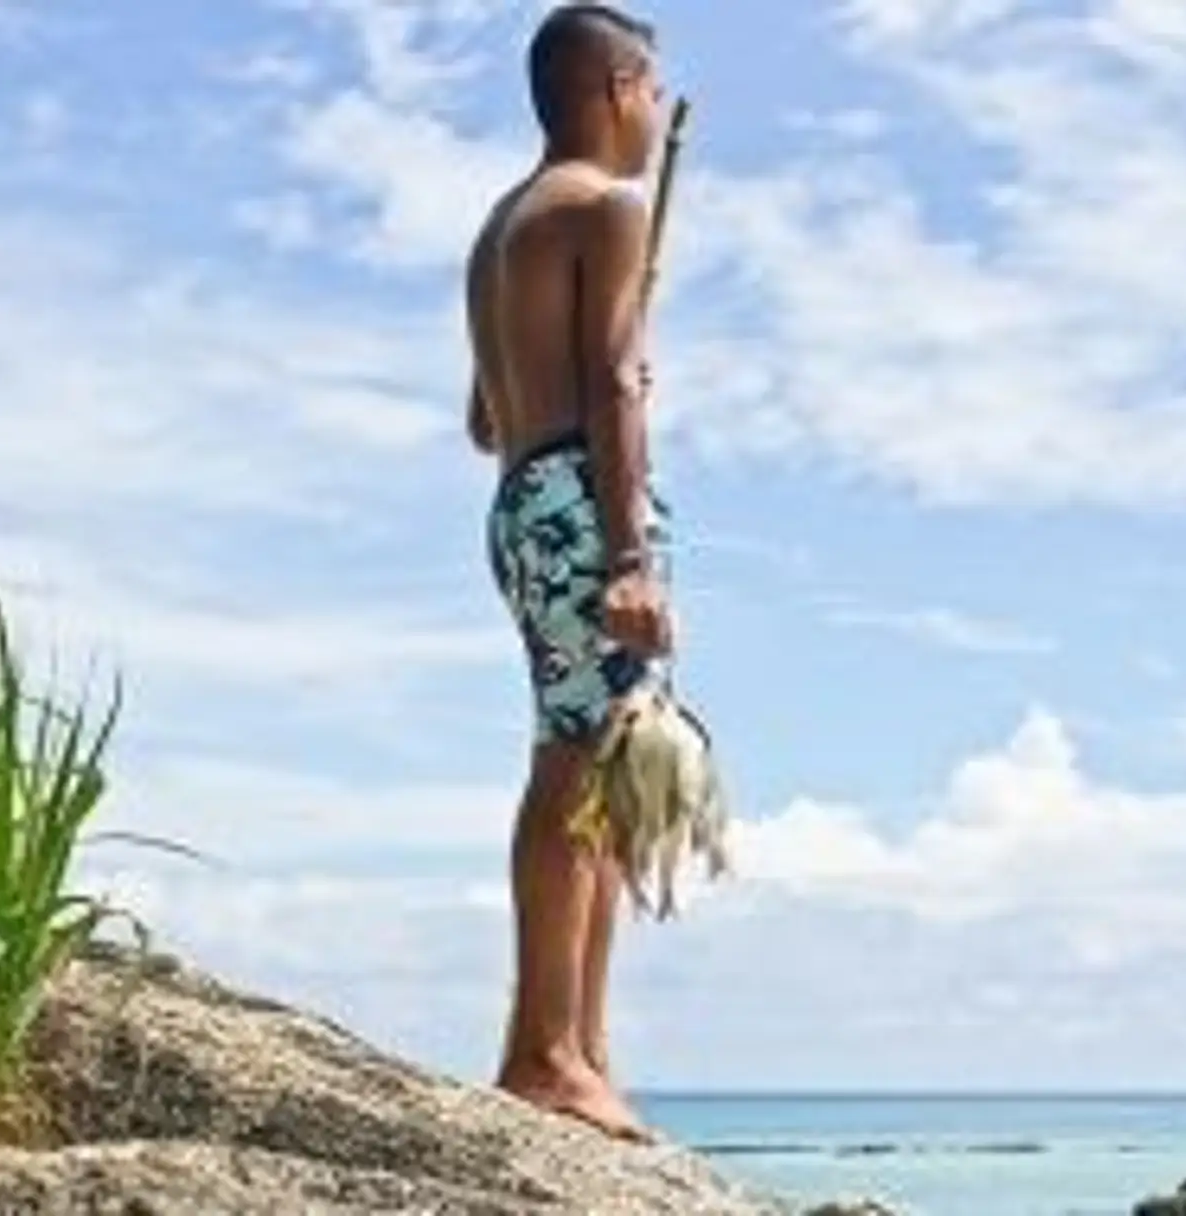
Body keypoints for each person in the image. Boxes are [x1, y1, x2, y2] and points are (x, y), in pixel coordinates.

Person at [463, 3, 673, 1143]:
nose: (653, 117)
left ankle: (581, 1047)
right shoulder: (607, 205)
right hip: (582, 506)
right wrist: (631, 555)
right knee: (580, 763)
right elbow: (614, 387)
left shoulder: (504, 226)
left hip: (522, 501)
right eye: (650, 93)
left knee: (601, 766)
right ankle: (547, 1052)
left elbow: (481, 420)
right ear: (619, 89)